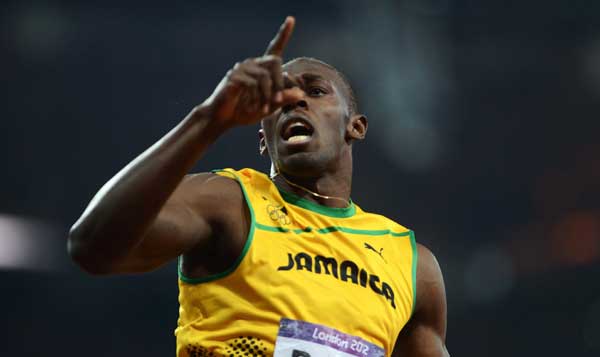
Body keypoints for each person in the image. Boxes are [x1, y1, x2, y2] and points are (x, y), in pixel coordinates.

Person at [68, 16, 449, 357]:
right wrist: (209, 120)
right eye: (278, 100)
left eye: (315, 92)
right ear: (263, 138)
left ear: (356, 126)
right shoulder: (229, 202)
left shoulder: (412, 265)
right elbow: (93, 248)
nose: (295, 101)